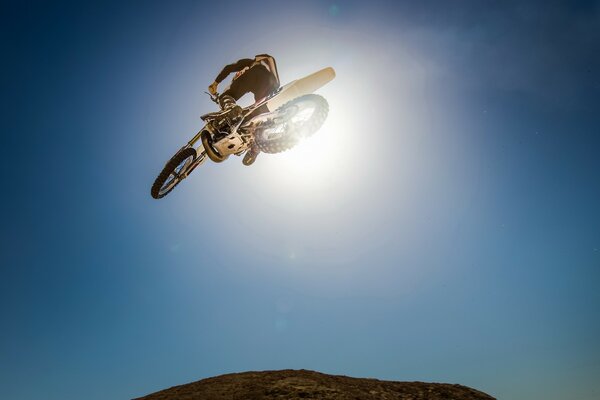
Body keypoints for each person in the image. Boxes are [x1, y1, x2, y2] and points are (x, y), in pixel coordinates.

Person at [208, 54, 280, 165]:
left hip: (256, 73)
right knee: (258, 113)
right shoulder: (259, 69)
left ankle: (231, 108)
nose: (237, 76)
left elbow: (229, 68)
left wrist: (215, 83)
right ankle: (256, 146)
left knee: (225, 97)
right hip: (271, 85)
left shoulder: (249, 64)